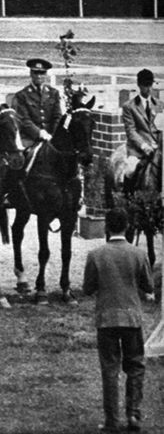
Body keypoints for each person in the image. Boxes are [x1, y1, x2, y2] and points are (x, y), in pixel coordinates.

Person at [82, 207, 154, 433]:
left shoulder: (95, 255)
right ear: (127, 227)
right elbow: (149, 286)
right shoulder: (139, 254)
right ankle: (133, 415)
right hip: (132, 318)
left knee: (109, 369)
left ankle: (112, 420)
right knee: (135, 366)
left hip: (106, 320)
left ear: (106, 227)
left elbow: (87, 289)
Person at [121, 68, 162, 182]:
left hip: (158, 148)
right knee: (130, 169)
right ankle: (128, 196)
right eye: (145, 85)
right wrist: (144, 145)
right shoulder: (129, 106)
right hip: (138, 150)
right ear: (139, 85)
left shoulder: (160, 105)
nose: (148, 89)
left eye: (150, 85)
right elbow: (131, 131)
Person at [12, 58, 62, 145]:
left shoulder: (53, 93)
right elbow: (24, 120)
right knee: (25, 156)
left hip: (51, 135)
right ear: (30, 74)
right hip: (30, 137)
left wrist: (53, 135)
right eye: (36, 72)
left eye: (42, 73)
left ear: (46, 74)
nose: (39, 76)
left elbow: (57, 117)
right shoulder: (22, 95)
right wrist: (40, 133)